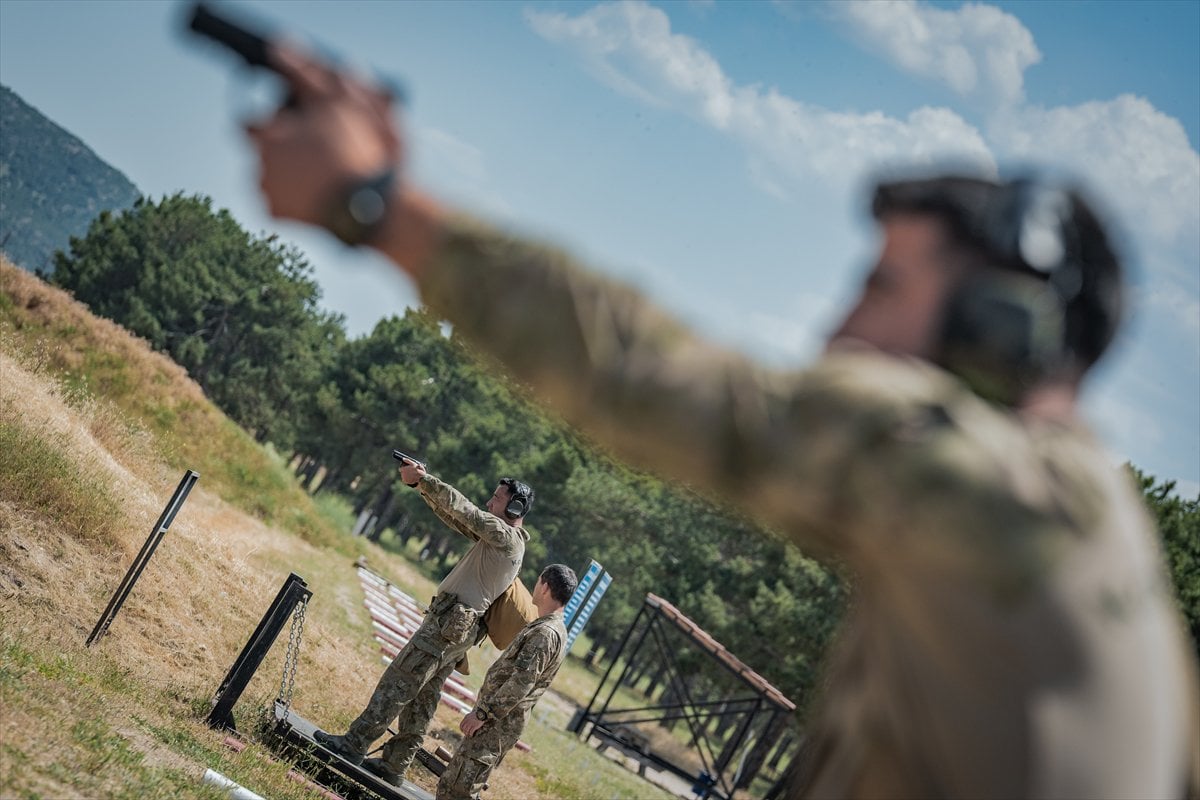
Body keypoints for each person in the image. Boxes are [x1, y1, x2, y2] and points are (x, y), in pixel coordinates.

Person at [247, 46, 1200, 798]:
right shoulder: (1091, 540)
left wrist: (372, 202)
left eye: (881, 289)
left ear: (1002, 333)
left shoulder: (989, 488)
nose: (839, 330)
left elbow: (638, 374)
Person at [314, 456, 535, 787]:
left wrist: (426, 481)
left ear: (515, 508)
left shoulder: (504, 536)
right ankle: (394, 764)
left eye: (498, 498)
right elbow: (455, 518)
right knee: (422, 697)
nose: (490, 501)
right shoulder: (501, 538)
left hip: (451, 623)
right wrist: (421, 486)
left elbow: (468, 512)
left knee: (399, 681)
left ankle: (354, 744)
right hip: (457, 626)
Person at [435, 563, 576, 800]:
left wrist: (482, 715)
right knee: (453, 785)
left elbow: (521, 683)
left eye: (538, 580)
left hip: (496, 724)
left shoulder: (545, 633)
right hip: (496, 721)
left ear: (545, 587)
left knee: (459, 791)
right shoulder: (550, 628)